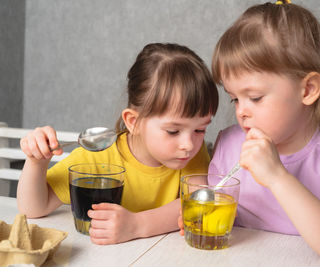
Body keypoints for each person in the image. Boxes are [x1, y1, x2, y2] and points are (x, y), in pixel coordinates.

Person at [179, 1, 320, 266]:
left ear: (307, 90)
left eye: (255, 98)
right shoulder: (230, 143)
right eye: (235, 99)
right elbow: (222, 221)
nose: (241, 111)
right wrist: (203, 218)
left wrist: (277, 176)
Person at [17, 43, 219, 245]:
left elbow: (197, 202)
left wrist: (137, 224)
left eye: (200, 129)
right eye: (173, 131)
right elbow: (33, 208)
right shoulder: (98, 154)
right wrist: (37, 162)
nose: (189, 144)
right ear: (134, 122)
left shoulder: (191, 153)